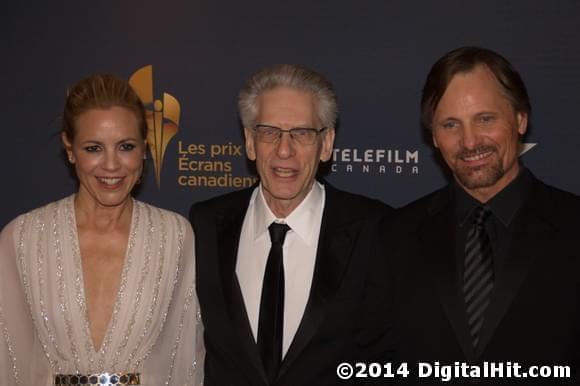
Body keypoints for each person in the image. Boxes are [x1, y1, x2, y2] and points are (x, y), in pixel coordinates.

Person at [369, 47, 580, 385]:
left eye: (485, 119)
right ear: (434, 137)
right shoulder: (394, 235)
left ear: (520, 118)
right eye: (451, 124)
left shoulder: (573, 226)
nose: (469, 141)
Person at [190, 64, 391, 385]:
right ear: (250, 141)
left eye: (302, 133)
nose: (285, 150)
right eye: (269, 132)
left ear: (326, 144)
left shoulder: (377, 229)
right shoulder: (204, 225)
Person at [0, 74, 203, 385]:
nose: (111, 166)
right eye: (93, 148)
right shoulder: (23, 238)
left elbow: (185, 360)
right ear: (69, 149)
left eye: (125, 146)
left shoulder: (174, 236)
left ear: (145, 149)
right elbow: (8, 360)